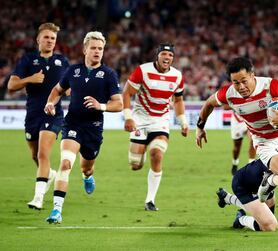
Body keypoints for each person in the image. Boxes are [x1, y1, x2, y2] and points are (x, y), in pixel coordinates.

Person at [196, 57, 278, 236]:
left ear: (253, 76)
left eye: (243, 81)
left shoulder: (271, 86)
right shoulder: (228, 94)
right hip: (264, 143)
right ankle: (268, 181)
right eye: (235, 82)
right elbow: (209, 103)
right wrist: (200, 127)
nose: (240, 87)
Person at [44, 31, 123, 224]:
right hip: (73, 124)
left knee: (87, 167)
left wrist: (101, 106)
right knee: (65, 163)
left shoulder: (109, 75)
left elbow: (119, 104)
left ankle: (87, 176)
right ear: (85, 49)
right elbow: (57, 90)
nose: (97, 52)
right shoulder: (73, 71)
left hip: (93, 129)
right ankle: (56, 210)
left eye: (100, 49)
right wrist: (50, 103)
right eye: (94, 48)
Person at [7, 23, 69, 210]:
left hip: (53, 114)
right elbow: (11, 85)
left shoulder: (62, 62)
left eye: (53, 38)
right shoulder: (28, 60)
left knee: (43, 153)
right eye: (47, 38)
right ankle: (48, 174)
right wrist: (29, 79)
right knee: (35, 155)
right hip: (32, 114)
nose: (50, 41)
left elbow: (69, 86)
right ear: (38, 40)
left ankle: (38, 197)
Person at [122, 43, 188, 211]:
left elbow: (178, 100)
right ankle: (140, 151)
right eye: (164, 54)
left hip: (161, 120)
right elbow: (127, 93)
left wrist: (182, 122)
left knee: (157, 154)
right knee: (135, 165)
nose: (167, 57)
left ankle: (150, 200)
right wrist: (128, 117)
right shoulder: (143, 71)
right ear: (157, 56)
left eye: (170, 55)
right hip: (140, 119)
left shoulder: (178, 76)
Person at [229, 111, 256, 175]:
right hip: (237, 121)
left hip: (249, 119)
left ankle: (251, 166)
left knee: (253, 140)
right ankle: (235, 163)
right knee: (237, 146)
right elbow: (225, 107)